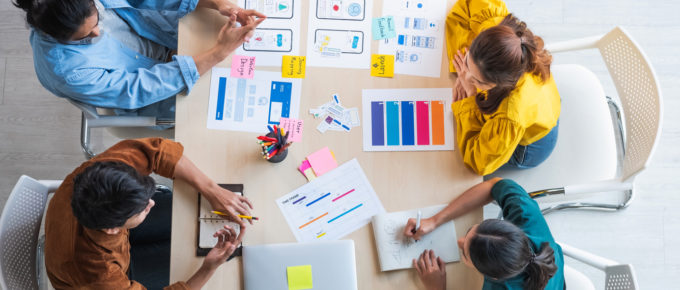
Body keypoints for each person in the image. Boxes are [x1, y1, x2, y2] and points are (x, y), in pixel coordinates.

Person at [44, 138, 254, 289]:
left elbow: (158, 151)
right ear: (113, 229)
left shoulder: (104, 172)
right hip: (117, 273)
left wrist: (212, 189)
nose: (152, 204)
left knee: (184, 217)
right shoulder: (98, 275)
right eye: (142, 208)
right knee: (189, 261)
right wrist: (208, 268)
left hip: (110, 231)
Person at [13, 0, 265, 126]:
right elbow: (141, 88)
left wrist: (217, 3)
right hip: (157, 87)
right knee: (233, 108)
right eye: (85, 37)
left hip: (162, 37)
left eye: (96, 21)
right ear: (59, 38)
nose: (98, 33)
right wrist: (218, 53)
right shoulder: (67, 72)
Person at [446, 0, 561, 175]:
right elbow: (466, 6)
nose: (466, 77)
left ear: (501, 84)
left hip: (532, 146)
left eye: (479, 81)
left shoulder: (509, 116)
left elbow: (479, 162)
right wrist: (461, 59)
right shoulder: (497, 32)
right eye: (469, 62)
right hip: (544, 106)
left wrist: (471, 100)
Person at [403, 178, 564, 290]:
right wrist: (434, 220)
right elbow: (494, 185)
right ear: (510, 228)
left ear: (493, 278)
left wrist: (436, 288)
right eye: (468, 233)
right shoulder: (525, 215)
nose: (459, 241)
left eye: (465, 255)